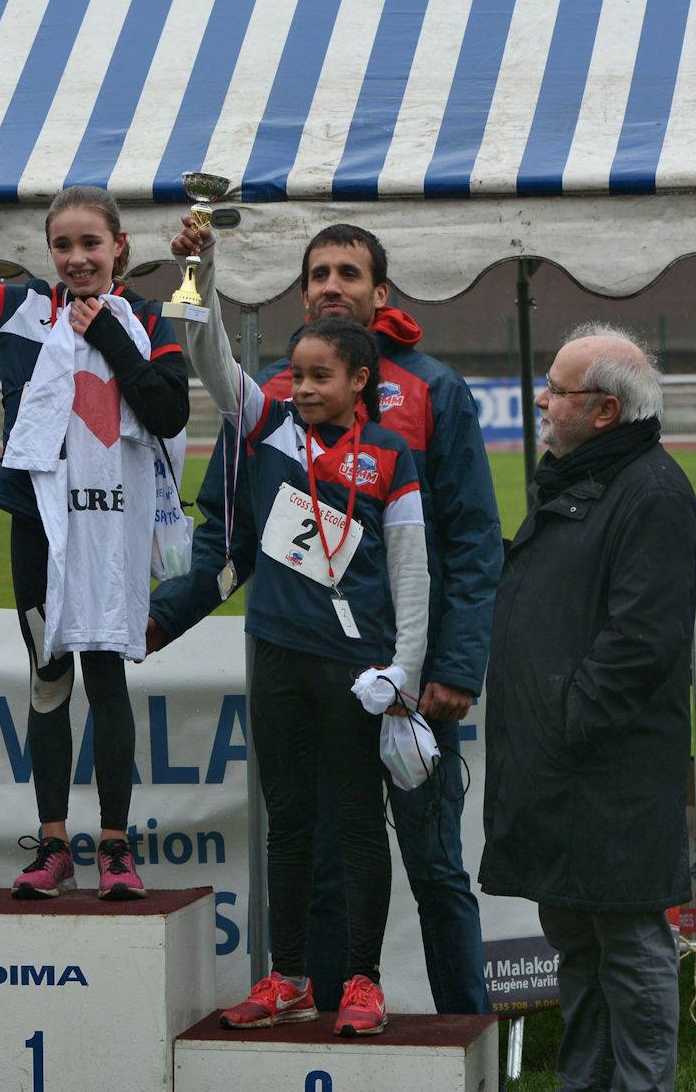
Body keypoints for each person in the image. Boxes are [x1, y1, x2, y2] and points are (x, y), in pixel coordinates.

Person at [150, 221, 502, 1014]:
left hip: (400, 673)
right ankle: (321, 999)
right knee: (315, 844)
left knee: (433, 861)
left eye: (350, 272)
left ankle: (463, 1030)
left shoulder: (432, 393)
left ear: (382, 294)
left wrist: (450, 665)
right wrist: (165, 616)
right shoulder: (274, 402)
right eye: (318, 272)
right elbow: (227, 527)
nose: (331, 283)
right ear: (302, 291)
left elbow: (472, 539)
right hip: (297, 656)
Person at [0, 149, 188, 901]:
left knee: (106, 677)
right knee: (48, 677)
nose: (75, 258)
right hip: (36, 521)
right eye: (62, 245)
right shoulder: (22, 306)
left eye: (90, 244)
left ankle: (119, 849)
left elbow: (168, 410)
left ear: (119, 248)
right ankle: (55, 844)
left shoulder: (151, 317)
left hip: (110, 523)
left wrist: (110, 339)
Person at [178, 243, 430, 1038]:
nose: (308, 388)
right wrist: (202, 274)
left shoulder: (391, 456)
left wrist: (405, 672)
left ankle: (361, 980)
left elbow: (413, 573)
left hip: (358, 669)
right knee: (286, 821)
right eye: (300, 376)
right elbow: (210, 356)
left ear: (361, 382)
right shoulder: (270, 431)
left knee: (357, 822)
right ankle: (287, 976)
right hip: (279, 654)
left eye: (325, 377)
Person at [479, 324, 696, 1092]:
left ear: (605, 411)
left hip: (607, 772)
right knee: (577, 941)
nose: (542, 400)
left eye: (558, 390)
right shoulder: (581, 480)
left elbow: (641, 640)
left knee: (629, 946)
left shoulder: (654, 492)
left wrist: (568, 722)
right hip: (564, 771)